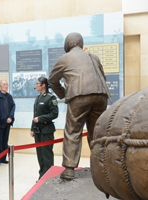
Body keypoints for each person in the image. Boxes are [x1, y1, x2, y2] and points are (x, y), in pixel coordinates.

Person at [48, 32, 109, 180]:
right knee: (97, 132)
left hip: (79, 96)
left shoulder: (64, 59)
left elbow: (52, 80)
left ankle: (69, 169)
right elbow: (103, 76)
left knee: (73, 131)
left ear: (68, 44)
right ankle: (101, 168)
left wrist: (63, 93)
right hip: (100, 95)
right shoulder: (93, 57)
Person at [30, 77, 59, 179]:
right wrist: (32, 128)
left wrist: (41, 118)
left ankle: (49, 176)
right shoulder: (38, 97)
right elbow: (35, 114)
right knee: (40, 155)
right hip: (38, 130)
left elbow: (54, 114)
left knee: (47, 155)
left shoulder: (51, 98)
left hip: (47, 130)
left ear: (43, 85)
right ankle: (42, 175)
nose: (36, 85)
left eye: (38, 84)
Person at [0, 80, 16, 168]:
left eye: (7, 84)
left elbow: (13, 107)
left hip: (8, 123)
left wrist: (10, 117)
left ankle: (3, 158)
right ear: (0, 86)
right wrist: (0, 119)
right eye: (4, 84)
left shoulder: (9, 96)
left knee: (5, 141)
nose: (6, 86)